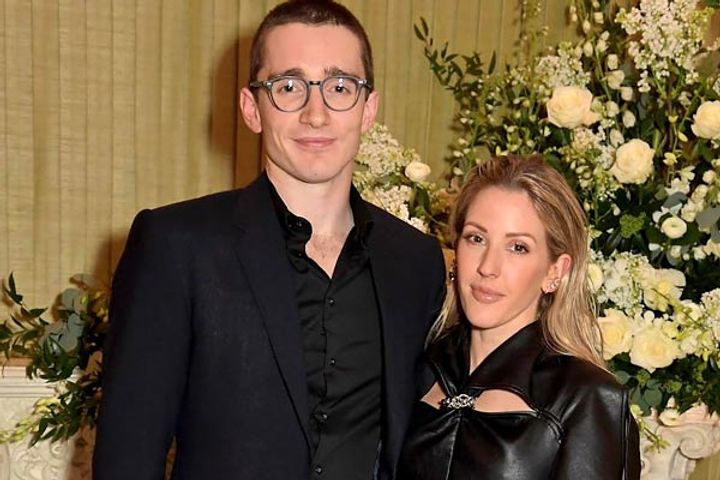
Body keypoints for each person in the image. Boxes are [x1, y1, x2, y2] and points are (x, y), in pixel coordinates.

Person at [92, 1, 446, 479]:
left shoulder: (416, 261)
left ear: (369, 109)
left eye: (340, 87)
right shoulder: (177, 246)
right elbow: (127, 457)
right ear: (251, 108)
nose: (316, 114)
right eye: (289, 87)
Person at [398, 155, 641, 479]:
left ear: (555, 271)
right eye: (476, 238)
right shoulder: (415, 363)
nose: (488, 267)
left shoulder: (587, 398)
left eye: (518, 247)